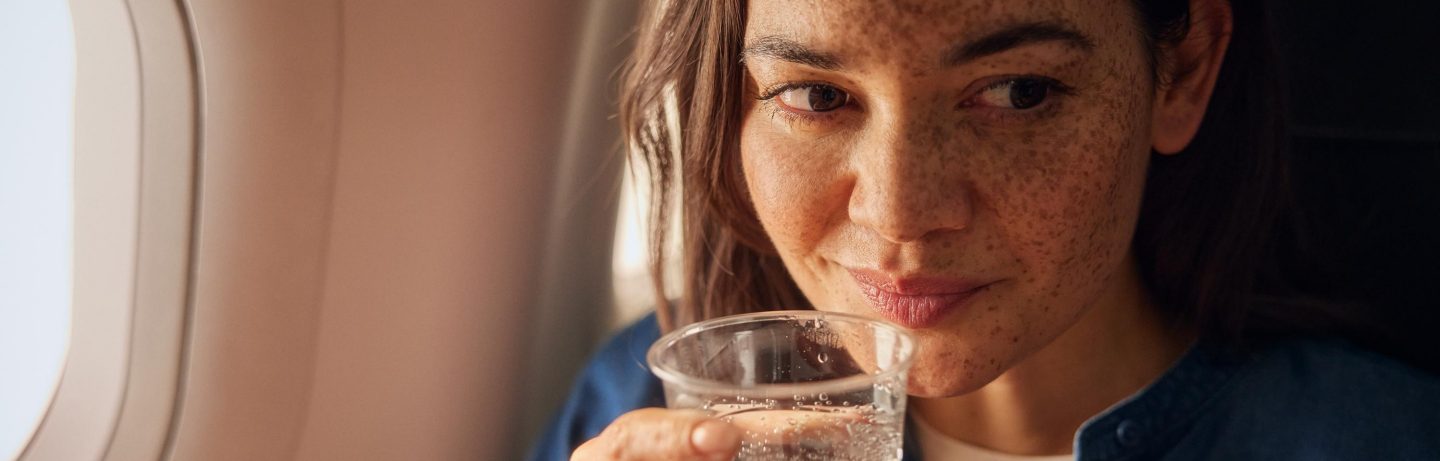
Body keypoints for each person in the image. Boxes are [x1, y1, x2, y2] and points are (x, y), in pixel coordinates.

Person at [530, 0, 1440, 459]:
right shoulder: (633, 401)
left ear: (1185, 69)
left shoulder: (1376, 438)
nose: (898, 210)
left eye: (1018, 93)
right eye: (816, 95)